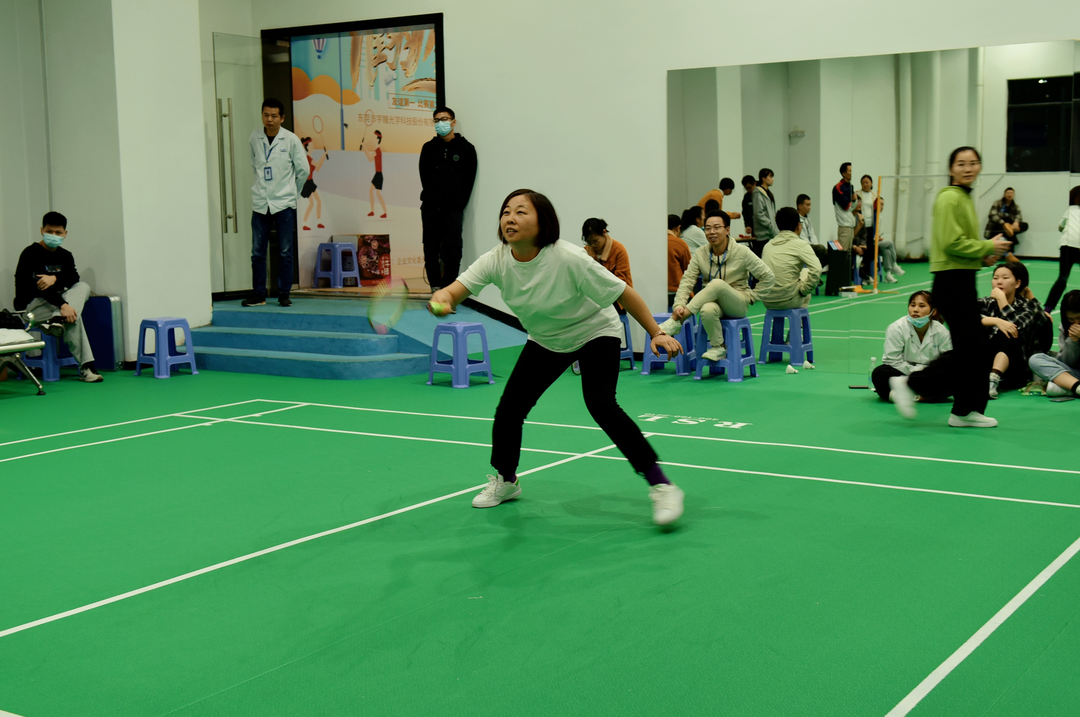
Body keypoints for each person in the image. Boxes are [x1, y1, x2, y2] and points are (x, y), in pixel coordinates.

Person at [428, 189, 686, 526]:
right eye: (506, 212)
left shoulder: (568, 257)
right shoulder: (496, 260)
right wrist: (444, 297)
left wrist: (656, 333)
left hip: (595, 331)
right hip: (547, 339)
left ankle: (662, 485)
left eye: (521, 212)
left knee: (601, 404)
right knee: (510, 409)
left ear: (543, 222)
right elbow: (455, 290)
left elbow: (624, 292)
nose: (510, 218)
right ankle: (506, 480)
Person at [889, 146, 1012, 428]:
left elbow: (961, 246)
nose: (968, 168)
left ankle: (964, 411)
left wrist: (982, 257)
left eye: (973, 163)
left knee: (977, 350)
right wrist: (986, 246)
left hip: (963, 280)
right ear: (951, 169)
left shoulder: (964, 197)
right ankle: (909, 383)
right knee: (972, 350)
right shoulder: (949, 198)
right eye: (961, 163)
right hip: (951, 283)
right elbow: (950, 243)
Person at [659, 210, 776, 361]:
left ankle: (676, 322)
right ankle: (718, 347)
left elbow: (768, 276)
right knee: (707, 309)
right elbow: (687, 281)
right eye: (707, 228)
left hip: (738, 303)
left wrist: (753, 296)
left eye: (716, 227)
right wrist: (679, 305)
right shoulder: (701, 253)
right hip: (714, 303)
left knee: (716, 284)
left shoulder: (742, 252)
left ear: (727, 230)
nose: (711, 232)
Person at [13, 211, 103, 382]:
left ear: (65, 233)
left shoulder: (65, 255)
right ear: (42, 230)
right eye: (49, 231)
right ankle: (86, 367)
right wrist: (64, 306)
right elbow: (41, 289)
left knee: (83, 286)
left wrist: (54, 278)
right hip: (31, 307)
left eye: (58, 232)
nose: (53, 235)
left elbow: (73, 277)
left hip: (55, 305)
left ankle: (57, 320)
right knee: (73, 316)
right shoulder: (30, 253)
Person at [243, 98, 307, 308]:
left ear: (282, 118)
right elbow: (255, 166)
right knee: (257, 252)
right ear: (262, 115)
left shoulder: (291, 140)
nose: (269, 120)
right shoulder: (255, 138)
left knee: (285, 251)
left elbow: (303, 170)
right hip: (261, 202)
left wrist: (293, 193)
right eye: (266, 115)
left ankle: (284, 294)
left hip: (284, 203)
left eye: (274, 116)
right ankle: (258, 294)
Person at [419, 106, 478, 291]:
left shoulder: (466, 149)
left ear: (453, 122)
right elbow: (424, 176)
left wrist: (458, 203)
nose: (440, 123)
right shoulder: (428, 148)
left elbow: (469, 180)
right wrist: (432, 197)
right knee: (430, 248)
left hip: (453, 209)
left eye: (444, 119)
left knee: (452, 250)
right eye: (436, 120)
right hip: (430, 208)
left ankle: (449, 290)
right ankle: (435, 287)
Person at [978, 262, 1052, 399]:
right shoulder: (985, 303)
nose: (999, 282)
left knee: (1009, 331)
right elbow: (964, 318)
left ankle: (993, 380)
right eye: (995, 278)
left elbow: (1018, 328)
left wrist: (1002, 300)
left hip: (1016, 369)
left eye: (1005, 278)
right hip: (986, 361)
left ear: (1017, 283)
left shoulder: (1028, 308)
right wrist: (995, 321)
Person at [871, 291, 952, 402]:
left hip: (930, 375)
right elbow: (892, 360)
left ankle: (910, 396)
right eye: (912, 305)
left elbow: (948, 362)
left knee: (959, 374)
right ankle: (926, 396)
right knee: (880, 373)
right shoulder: (896, 328)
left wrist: (927, 373)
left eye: (922, 306)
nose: (915, 309)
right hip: (904, 373)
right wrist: (916, 374)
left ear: (933, 311)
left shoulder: (942, 332)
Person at [761, 207, 821, 310]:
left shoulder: (767, 246)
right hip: (789, 300)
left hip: (767, 300)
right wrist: (803, 290)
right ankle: (798, 319)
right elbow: (817, 269)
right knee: (805, 272)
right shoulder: (801, 244)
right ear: (798, 226)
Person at [1028, 290, 1080, 399]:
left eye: (1079, 318)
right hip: (1074, 374)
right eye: (1071, 319)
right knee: (1035, 359)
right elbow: (1066, 362)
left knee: (1053, 388)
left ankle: (1068, 388)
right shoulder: (1065, 327)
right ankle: (1076, 388)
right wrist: (1073, 341)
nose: (1075, 322)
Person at [854, 174, 901, 284]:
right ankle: (866, 273)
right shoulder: (857, 194)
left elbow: (875, 211)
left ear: (871, 183)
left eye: (867, 182)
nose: (865, 184)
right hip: (861, 225)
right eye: (863, 183)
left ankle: (870, 274)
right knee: (869, 248)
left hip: (871, 226)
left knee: (873, 249)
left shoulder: (875, 196)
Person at [582, 218, 633, 311]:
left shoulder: (618, 250)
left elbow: (621, 281)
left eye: (596, 241)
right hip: (594, 299)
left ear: (604, 232)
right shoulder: (584, 252)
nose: (592, 245)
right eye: (589, 242)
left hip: (617, 298)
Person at [1043, 185, 1080, 313]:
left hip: (1067, 245)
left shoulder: (1070, 210)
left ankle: (1047, 310)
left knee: (1063, 278)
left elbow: (1060, 227)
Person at [300, 137, 328, 231]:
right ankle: (305, 223)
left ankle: (318, 222)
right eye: (311, 145)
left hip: (310, 181)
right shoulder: (308, 158)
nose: (313, 146)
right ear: (307, 147)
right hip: (307, 183)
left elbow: (318, 168)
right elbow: (318, 165)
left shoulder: (310, 158)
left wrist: (324, 156)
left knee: (317, 202)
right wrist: (324, 155)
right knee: (312, 203)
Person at [832, 162, 860, 251]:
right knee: (842, 253)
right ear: (844, 173)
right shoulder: (838, 187)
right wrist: (853, 200)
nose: (852, 173)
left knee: (849, 253)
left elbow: (853, 206)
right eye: (850, 171)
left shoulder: (850, 186)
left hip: (850, 225)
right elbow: (846, 207)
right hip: (844, 226)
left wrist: (854, 200)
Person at [751, 168, 778, 255]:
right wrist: (770, 225)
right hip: (763, 235)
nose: (772, 179)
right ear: (763, 178)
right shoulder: (758, 193)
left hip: (770, 234)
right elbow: (759, 214)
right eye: (770, 176)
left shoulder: (768, 193)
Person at [796, 194, 828, 265]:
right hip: (803, 247)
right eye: (807, 205)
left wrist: (816, 246)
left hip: (810, 246)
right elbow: (802, 238)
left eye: (810, 205)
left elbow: (812, 235)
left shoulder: (807, 219)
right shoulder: (796, 219)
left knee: (829, 254)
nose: (809, 207)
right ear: (800, 206)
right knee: (821, 249)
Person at [668, 214, 691, 310]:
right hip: (676, 292)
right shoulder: (680, 244)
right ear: (678, 228)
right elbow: (689, 270)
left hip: (656, 292)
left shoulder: (655, 242)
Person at [364, 129, 387, 219]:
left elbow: (370, 157)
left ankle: (384, 212)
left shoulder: (377, 150)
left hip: (379, 175)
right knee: (372, 192)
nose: (372, 139)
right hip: (377, 174)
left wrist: (364, 147)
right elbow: (370, 158)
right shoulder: (376, 150)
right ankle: (373, 211)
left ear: (377, 139)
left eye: (374, 137)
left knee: (377, 193)